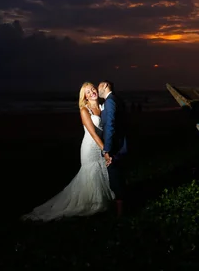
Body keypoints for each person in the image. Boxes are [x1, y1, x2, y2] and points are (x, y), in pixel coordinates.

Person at [21, 82, 114, 221]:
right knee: (91, 175)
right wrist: (105, 150)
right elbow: (93, 133)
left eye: (93, 89)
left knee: (101, 174)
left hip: (101, 146)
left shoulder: (103, 107)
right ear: (85, 97)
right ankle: (93, 204)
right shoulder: (84, 110)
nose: (92, 92)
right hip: (90, 148)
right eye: (87, 92)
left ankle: (103, 202)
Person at [98, 80, 128, 217]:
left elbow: (110, 126)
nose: (97, 89)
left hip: (114, 147)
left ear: (105, 85)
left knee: (115, 179)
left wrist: (106, 149)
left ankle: (120, 214)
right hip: (121, 145)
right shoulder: (116, 99)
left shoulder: (110, 101)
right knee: (120, 177)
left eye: (99, 86)